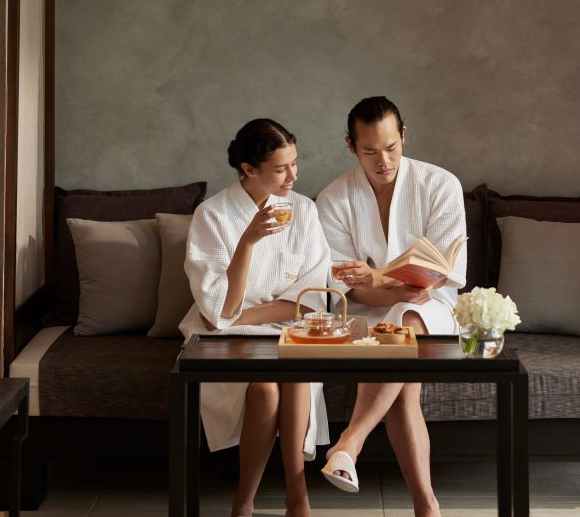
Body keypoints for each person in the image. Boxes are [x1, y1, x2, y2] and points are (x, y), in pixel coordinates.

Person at [316, 96, 466, 517]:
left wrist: (379, 278)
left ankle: (350, 442)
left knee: (407, 318)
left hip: (431, 309)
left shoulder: (440, 185)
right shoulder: (333, 199)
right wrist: (391, 288)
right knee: (403, 382)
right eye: (369, 151)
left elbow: (441, 276)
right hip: (368, 314)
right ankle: (426, 506)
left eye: (391, 147)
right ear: (350, 146)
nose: (383, 161)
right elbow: (349, 292)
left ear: (404, 135)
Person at [180, 118, 330, 517]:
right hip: (223, 336)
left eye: (295, 163)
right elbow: (219, 312)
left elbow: (310, 299)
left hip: (285, 327)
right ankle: (244, 501)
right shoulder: (212, 215)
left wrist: (243, 314)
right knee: (264, 389)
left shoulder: (304, 210)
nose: (293, 176)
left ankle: (297, 494)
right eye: (281, 169)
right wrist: (247, 242)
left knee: (296, 374)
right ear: (248, 168)